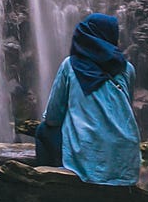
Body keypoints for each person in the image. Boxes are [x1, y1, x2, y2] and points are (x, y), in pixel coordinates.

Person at [35, 12, 141, 186]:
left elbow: (53, 117)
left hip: (87, 155)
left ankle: (49, 187)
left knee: (43, 131)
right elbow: (125, 108)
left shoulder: (70, 65)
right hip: (126, 158)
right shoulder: (127, 68)